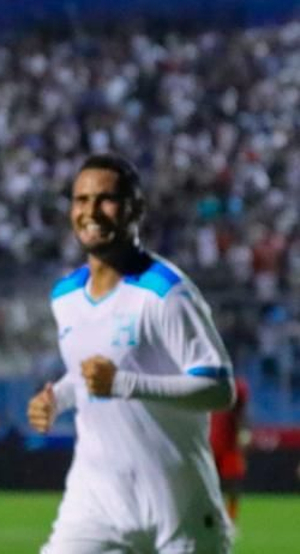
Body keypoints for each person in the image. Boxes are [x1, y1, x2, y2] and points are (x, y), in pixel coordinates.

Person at [27, 153, 237, 554]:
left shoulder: (166, 293)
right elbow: (88, 371)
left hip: (177, 504)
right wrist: (57, 398)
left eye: (105, 199)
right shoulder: (65, 296)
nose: (91, 211)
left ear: (135, 210)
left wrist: (124, 384)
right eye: (81, 200)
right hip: (97, 501)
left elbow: (218, 388)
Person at [208, 377, 250, 523]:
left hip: (229, 445)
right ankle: (214, 518)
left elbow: (242, 416)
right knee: (212, 485)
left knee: (233, 485)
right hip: (210, 443)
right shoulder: (205, 382)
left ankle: (231, 519)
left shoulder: (237, 387)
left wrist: (243, 435)